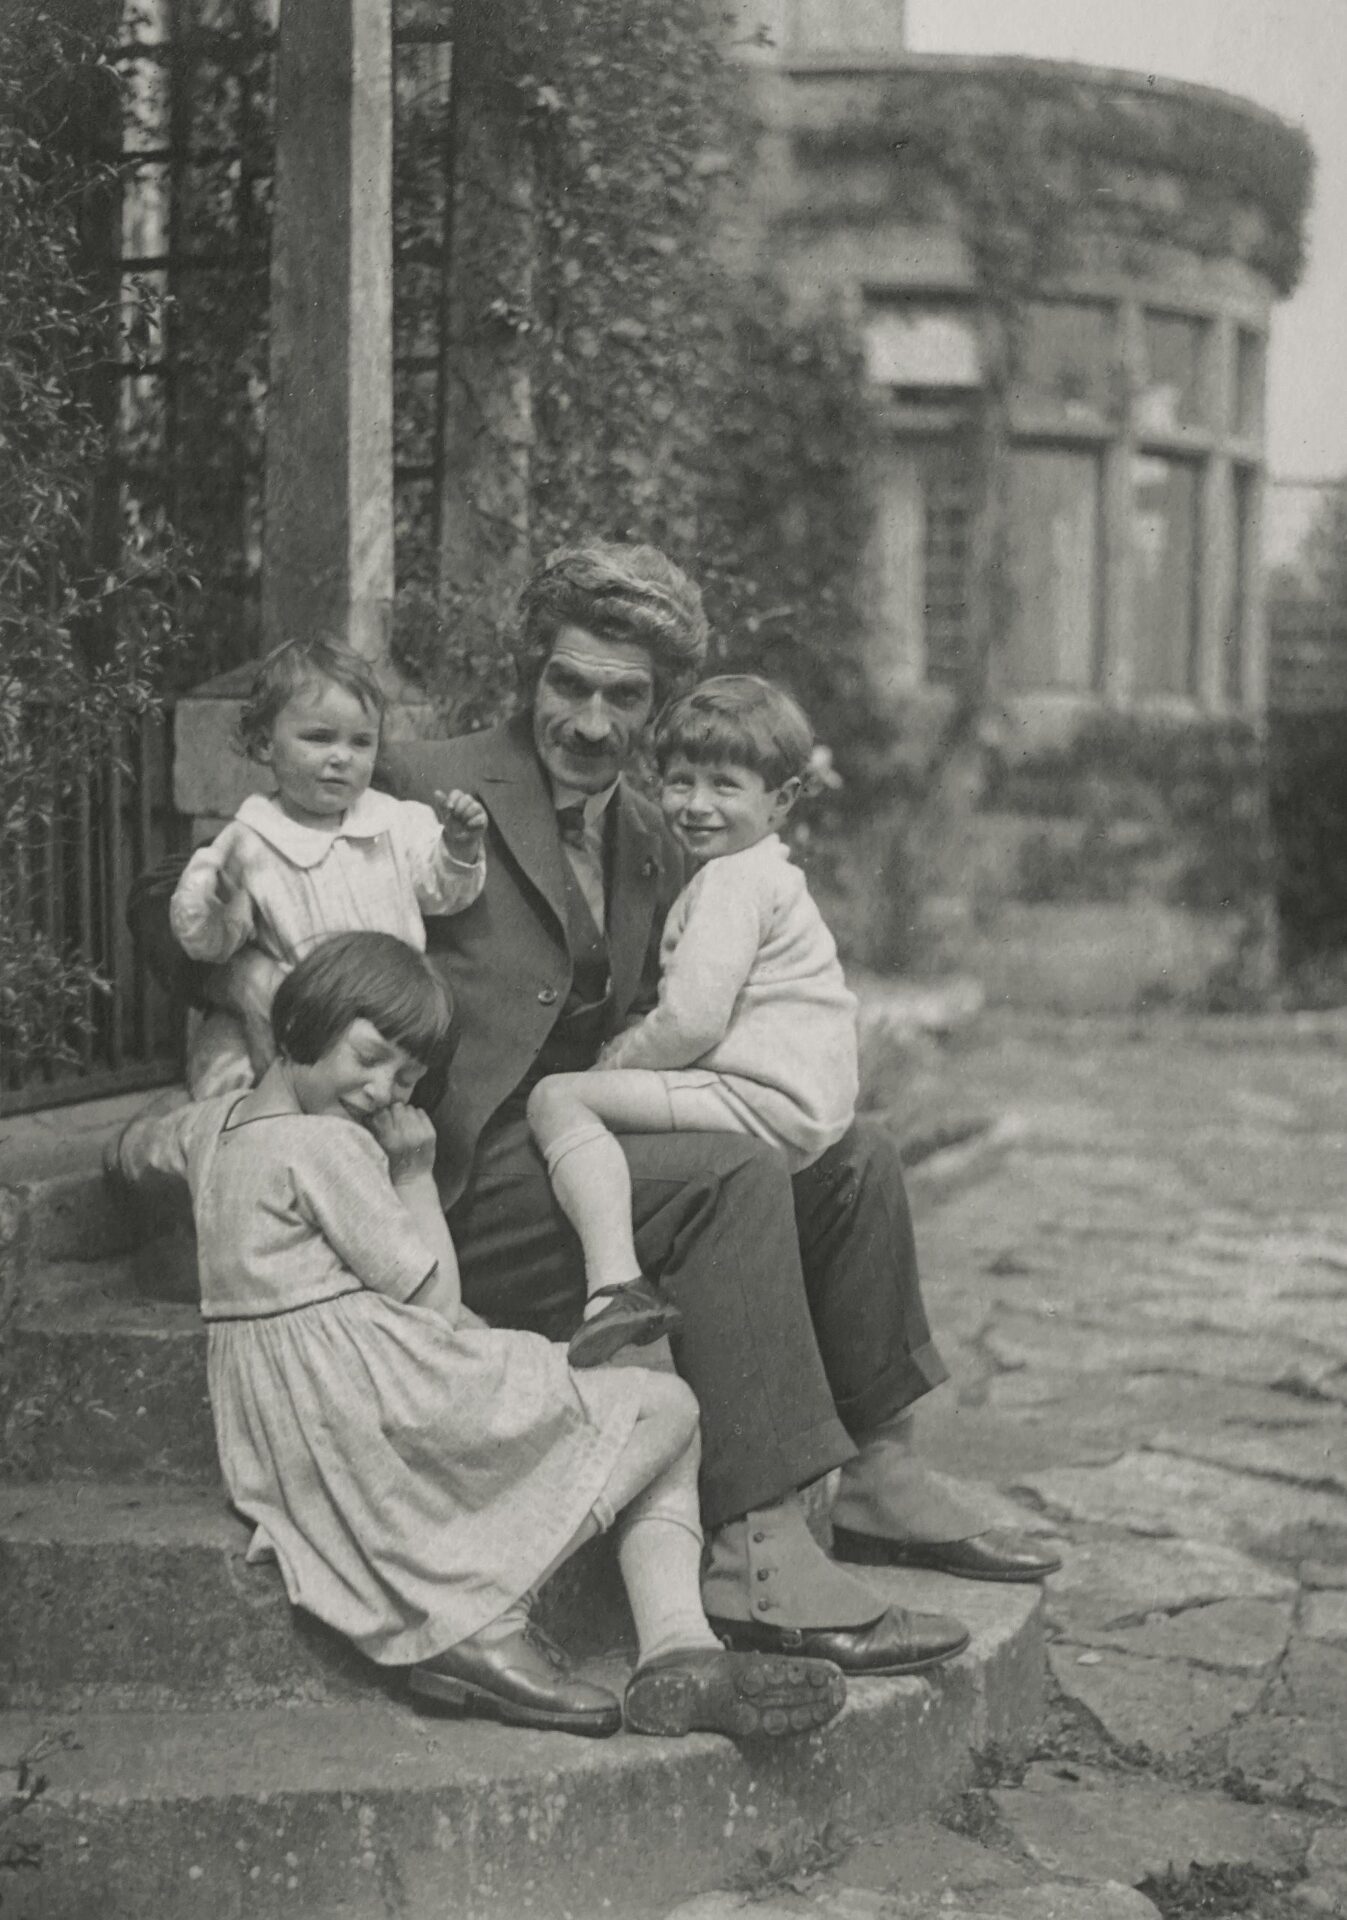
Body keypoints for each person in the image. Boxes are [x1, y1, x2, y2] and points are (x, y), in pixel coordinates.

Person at [129, 540, 1058, 1679]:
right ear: (533, 672)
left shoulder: (669, 837)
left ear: (656, 706)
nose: (589, 718)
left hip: (583, 1153)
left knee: (852, 1155)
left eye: (624, 696)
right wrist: (248, 979)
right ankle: (758, 1554)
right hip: (451, 1173)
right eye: (569, 682)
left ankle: (872, 1468)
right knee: (727, 1176)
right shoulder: (422, 783)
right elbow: (176, 894)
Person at [115, 931, 848, 1741]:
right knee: (667, 1406)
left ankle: (676, 1655)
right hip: (369, 1392)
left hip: (279, 1412)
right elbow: (433, 1303)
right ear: (305, 1022)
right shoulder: (325, 1148)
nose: (381, 1090)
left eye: (405, 1077)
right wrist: (414, 1175)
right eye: (369, 1055)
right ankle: (537, 1621)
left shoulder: (211, 1128)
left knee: (583, 1383)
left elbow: (136, 1153)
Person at [527, 674, 859, 1370]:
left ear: (782, 800)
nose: (697, 805)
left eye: (724, 785)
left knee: (558, 1098)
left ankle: (614, 1284)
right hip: (803, 1104)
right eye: (680, 782)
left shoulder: (732, 881)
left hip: (757, 1099)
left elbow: (689, 1023)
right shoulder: (769, 871)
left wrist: (610, 1063)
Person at [168, 637, 488, 1096]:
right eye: (319, 738)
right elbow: (213, 945)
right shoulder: (249, 842)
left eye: (361, 742)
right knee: (247, 1097)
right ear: (263, 744)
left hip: (391, 1026)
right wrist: (214, 903)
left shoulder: (395, 823)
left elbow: (446, 893)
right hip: (301, 1031)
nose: (342, 757)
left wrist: (458, 847)